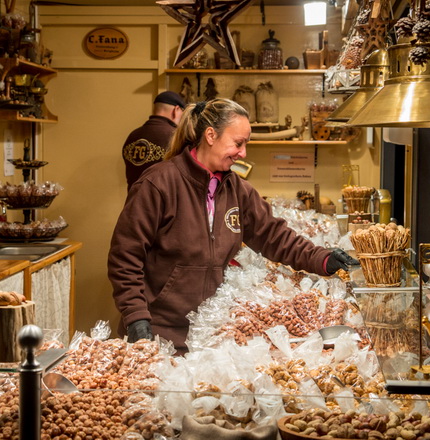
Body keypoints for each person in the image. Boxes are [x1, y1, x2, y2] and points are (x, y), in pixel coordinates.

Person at [108, 98, 358, 353]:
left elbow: (276, 236)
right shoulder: (159, 184)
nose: (243, 153)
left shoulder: (237, 189)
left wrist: (324, 258)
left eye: (245, 144)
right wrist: (136, 317)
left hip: (212, 331)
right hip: (158, 333)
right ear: (210, 136)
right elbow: (125, 257)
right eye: (238, 143)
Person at [122, 90, 187, 191]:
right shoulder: (175, 137)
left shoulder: (132, 136)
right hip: (161, 203)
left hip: (133, 202)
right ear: (176, 110)